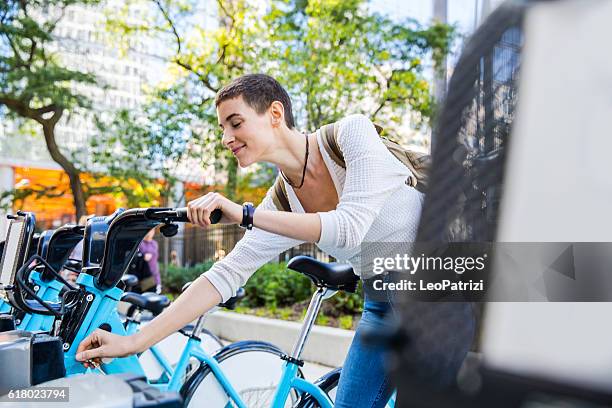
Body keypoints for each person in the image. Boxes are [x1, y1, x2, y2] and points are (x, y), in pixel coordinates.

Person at [75, 74, 425, 407]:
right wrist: (134, 341)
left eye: (236, 123)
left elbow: (350, 227)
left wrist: (244, 214)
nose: (226, 137)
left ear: (275, 113)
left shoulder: (351, 134)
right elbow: (225, 274)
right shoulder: (284, 199)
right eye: (222, 128)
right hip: (382, 300)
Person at [139, 228, 161, 293]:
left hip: (155, 274)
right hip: (146, 276)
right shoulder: (140, 243)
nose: (149, 233)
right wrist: (143, 257)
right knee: (148, 296)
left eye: (151, 231)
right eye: (148, 231)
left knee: (156, 296)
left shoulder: (155, 244)